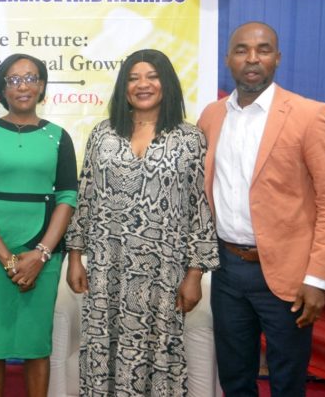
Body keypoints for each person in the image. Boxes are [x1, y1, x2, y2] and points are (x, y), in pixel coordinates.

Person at [199, 22, 325, 396]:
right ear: (228, 59)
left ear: (277, 58)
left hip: (289, 277)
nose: (252, 58)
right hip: (227, 272)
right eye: (242, 50)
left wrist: (317, 278)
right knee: (235, 379)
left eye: (263, 49)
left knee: (287, 383)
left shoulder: (309, 114)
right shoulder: (212, 116)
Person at [64, 49, 219, 395]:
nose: (142, 84)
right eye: (133, 78)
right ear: (124, 87)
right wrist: (75, 256)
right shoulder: (102, 134)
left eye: (152, 76)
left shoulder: (189, 138)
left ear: (167, 83)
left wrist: (195, 274)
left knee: (160, 352)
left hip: (163, 273)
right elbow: (85, 196)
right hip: (107, 269)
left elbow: (199, 208)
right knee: (104, 348)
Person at [0, 53, 78, 397]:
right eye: (13, 79)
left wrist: (41, 254)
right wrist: (7, 259)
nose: (22, 85)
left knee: (37, 343)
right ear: (2, 89)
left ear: (42, 86)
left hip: (44, 251)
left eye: (30, 77)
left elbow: (68, 198)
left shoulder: (59, 136)